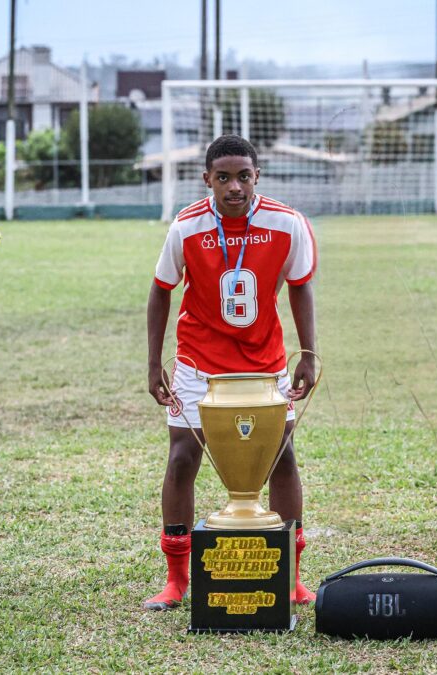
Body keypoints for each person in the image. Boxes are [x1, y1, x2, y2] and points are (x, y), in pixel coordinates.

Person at [144, 134, 319, 609]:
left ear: (256, 176)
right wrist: (153, 362)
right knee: (182, 458)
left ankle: (290, 575)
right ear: (207, 180)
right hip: (198, 364)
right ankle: (176, 577)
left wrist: (308, 351)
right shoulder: (185, 227)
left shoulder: (287, 223)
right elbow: (161, 290)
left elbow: (301, 286)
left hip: (265, 363)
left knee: (282, 457)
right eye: (223, 178)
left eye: (243, 176)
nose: (234, 187)